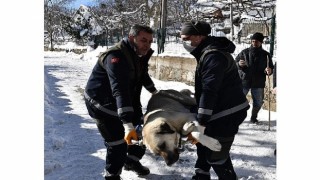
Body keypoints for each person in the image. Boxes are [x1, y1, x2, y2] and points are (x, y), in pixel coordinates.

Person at [84, 24, 158, 180]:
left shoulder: (137, 54)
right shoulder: (115, 56)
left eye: (150, 41)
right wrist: (127, 123)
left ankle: (131, 162)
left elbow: (142, 74)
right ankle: (112, 175)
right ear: (132, 38)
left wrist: (155, 92)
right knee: (117, 144)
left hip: (125, 100)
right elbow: (120, 88)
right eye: (143, 40)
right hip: (101, 103)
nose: (147, 45)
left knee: (141, 134)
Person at [180, 21, 250, 180]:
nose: (183, 42)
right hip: (219, 110)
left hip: (227, 113)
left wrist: (202, 122)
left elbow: (209, 90)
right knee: (204, 143)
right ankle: (202, 175)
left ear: (198, 37)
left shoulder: (213, 56)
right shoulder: (207, 52)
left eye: (186, 38)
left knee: (216, 154)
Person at [235, 32, 274, 123]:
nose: (254, 43)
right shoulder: (244, 52)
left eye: (256, 41)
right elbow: (234, 63)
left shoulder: (266, 55)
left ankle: (253, 117)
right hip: (244, 81)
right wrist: (239, 64)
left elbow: (270, 68)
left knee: (259, 102)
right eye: (252, 41)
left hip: (258, 82)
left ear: (261, 42)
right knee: (237, 100)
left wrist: (269, 70)